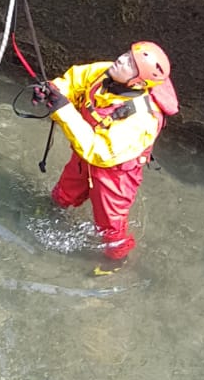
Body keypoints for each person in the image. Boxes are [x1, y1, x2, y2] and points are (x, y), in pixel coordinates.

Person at [40, 41, 178, 260]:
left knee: (111, 226)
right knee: (63, 193)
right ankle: (52, 212)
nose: (121, 59)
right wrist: (54, 91)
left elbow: (100, 152)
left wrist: (63, 110)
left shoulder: (143, 119)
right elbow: (77, 80)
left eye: (130, 63)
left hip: (115, 175)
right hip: (83, 155)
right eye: (126, 54)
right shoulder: (105, 73)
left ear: (138, 82)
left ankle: (117, 259)